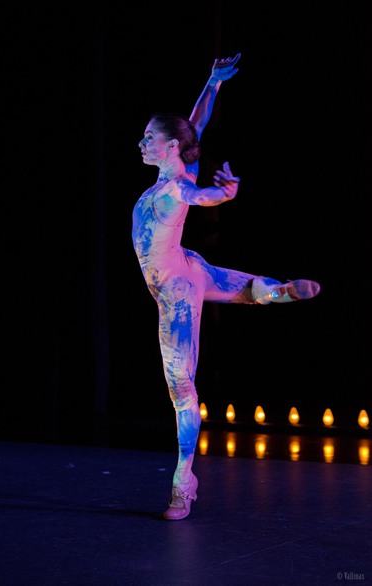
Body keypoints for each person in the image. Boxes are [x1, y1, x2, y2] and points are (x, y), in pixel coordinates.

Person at [132, 55, 320, 521]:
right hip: (188, 268)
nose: (141, 142)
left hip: (176, 293)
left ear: (169, 146)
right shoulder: (178, 171)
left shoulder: (176, 187)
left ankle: (183, 481)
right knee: (240, 291)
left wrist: (225, 195)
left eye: (149, 138)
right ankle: (276, 292)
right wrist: (212, 85)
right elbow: (196, 125)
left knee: (181, 390)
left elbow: (199, 197)